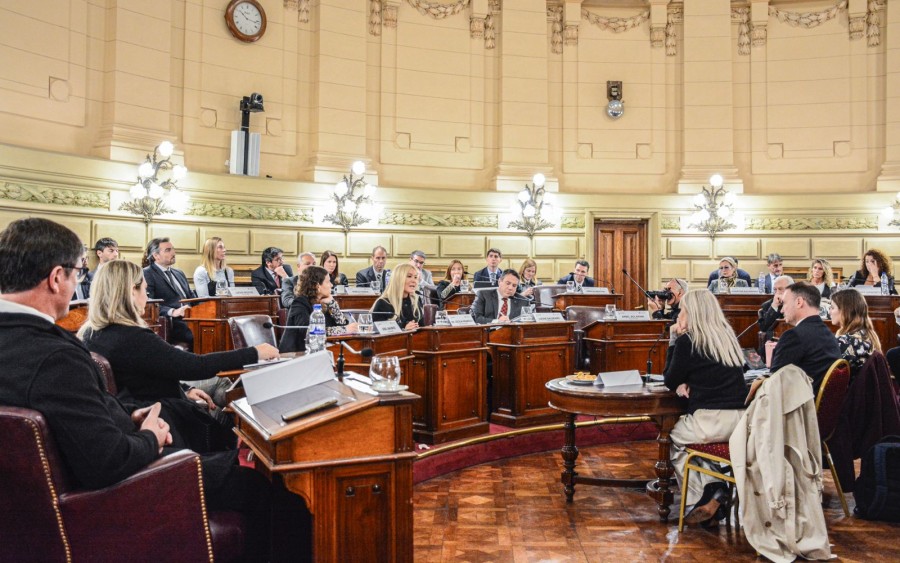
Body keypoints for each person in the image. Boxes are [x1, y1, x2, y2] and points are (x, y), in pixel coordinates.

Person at [0, 218, 280, 560]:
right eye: (76, 273)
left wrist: (129, 414)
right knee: (264, 485)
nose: (77, 283)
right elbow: (107, 462)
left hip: (35, 517)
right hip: (115, 496)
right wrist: (149, 434)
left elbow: (79, 414)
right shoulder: (54, 356)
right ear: (57, 278)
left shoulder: (35, 344)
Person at [80, 259, 278, 409]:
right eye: (145, 291)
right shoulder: (132, 337)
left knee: (219, 386)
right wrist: (254, 353)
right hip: (164, 413)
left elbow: (151, 373)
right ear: (131, 291)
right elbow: (195, 366)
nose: (147, 297)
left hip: (146, 401)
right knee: (224, 388)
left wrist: (186, 390)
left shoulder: (90, 332)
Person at [663, 290, 747, 526]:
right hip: (741, 422)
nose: (679, 315)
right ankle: (714, 490)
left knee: (674, 439)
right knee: (698, 449)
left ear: (693, 313)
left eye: (682, 310)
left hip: (711, 420)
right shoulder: (727, 338)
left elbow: (669, 379)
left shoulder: (688, 341)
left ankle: (698, 498)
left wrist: (673, 339)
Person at [769, 282, 841, 393]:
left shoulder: (794, 336)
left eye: (784, 303)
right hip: (821, 405)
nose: (782, 310)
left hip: (800, 407)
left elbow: (774, 382)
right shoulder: (828, 333)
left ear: (799, 302)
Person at [279, 266, 359, 353]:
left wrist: (333, 304)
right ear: (317, 286)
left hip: (317, 351)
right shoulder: (299, 303)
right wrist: (344, 330)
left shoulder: (323, 302)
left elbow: (343, 323)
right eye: (328, 282)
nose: (331, 285)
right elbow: (308, 330)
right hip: (295, 354)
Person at [143, 237, 195, 350]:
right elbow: (148, 304)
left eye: (173, 249)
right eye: (168, 250)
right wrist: (173, 311)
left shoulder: (179, 273)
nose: (173, 252)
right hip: (175, 322)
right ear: (156, 256)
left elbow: (191, 297)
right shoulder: (147, 273)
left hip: (194, 317)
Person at [829, 288, 881, 375]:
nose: (829, 312)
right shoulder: (868, 335)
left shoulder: (845, 342)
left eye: (832, 308)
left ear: (845, 311)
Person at [371, 263, 423, 330]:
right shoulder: (383, 303)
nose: (414, 281)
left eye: (415, 277)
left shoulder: (416, 300)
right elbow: (379, 334)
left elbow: (422, 326)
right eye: (409, 276)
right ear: (398, 279)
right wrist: (403, 330)